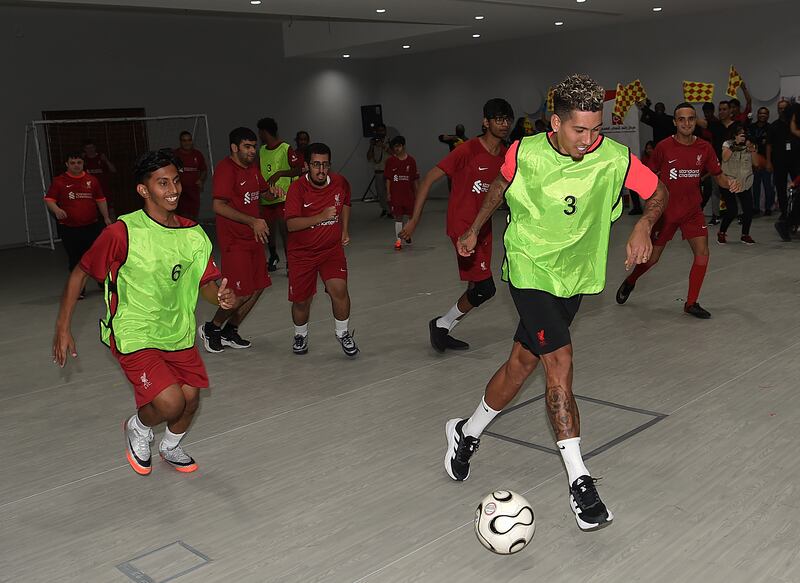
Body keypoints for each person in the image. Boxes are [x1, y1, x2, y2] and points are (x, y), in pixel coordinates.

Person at [442, 74, 668, 531]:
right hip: (528, 268)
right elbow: (499, 189)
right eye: (579, 130)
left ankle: (465, 433)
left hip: (576, 276)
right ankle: (580, 482)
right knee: (559, 361)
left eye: (596, 129)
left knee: (520, 365)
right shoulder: (524, 152)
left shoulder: (615, 157)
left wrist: (644, 225)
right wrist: (474, 229)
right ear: (555, 123)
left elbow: (658, 192)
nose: (589, 139)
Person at [52, 149, 238, 476]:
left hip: (177, 332)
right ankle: (138, 427)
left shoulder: (193, 235)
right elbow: (80, 272)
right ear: (144, 190)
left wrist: (220, 296)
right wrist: (63, 327)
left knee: (191, 401)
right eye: (162, 183)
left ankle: (170, 447)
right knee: (170, 403)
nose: (173, 190)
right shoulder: (122, 232)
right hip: (134, 331)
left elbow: (206, 283)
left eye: (176, 181)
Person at [399, 98, 514, 353]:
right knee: (485, 288)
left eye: (507, 119)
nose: (504, 124)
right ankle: (441, 324)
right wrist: (415, 220)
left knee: (477, 286)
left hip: (483, 227)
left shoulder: (507, 156)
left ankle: (441, 329)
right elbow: (429, 178)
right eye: (498, 119)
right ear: (485, 122)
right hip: (462, 227)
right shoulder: (468, 150)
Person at [616, 103, 742, 319]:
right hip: (665, 212)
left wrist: (729, 182)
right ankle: (631, 281)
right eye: (681, 119)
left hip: (692, 210)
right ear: (675, 122)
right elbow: (647, 174)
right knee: (652, 259)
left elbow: (717, 175)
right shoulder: (664, 147)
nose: (686, 123)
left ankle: (691, 303)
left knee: (702, 254)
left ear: (696, 121)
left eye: (691, 119)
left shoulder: (705, 148)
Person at [199, 127, 280, 353]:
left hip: (254, 239)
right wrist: (252, 221)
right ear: (234, 148)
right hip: (235, 243)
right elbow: (218, 206)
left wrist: (271, 194)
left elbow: (263, 193)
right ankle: (211, 328)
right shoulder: (226, 170)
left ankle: (230, 331)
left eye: (254, 146)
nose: (252, 150)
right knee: (240, 292)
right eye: (247, 146)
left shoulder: (253, 169)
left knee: (259, 287)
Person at [284, 143, 358, 357]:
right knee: (301, 301)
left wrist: (344, 229)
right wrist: (321, 217)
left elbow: (346, 202)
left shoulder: (339, 182)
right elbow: (291, 225)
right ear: (307, 165)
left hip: (330, 251)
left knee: (340, 291)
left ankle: (343, 333)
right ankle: (300, 334)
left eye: (325, 165)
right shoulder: (297, 189)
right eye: (316, 164)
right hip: (302, 254)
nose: (321, 170)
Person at [44, 152, 113, 297]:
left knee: (97, 256)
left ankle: (103, 283)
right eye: (73, 163)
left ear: (83, 164)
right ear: (67, 164)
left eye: (79, 162)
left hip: (91, 226)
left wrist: (106, 217)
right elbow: (49, 199)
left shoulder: (92, 180)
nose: (76, 165)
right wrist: (56, 210)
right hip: (69, 228)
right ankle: (79, 289)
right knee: (75, 259)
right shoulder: (59, 181)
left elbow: (100, 199)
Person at [257, 117, 303, 272]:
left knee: (285, 230)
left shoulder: (285, 148)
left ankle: (291, 261)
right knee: (268, 230)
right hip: (267, 197)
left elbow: (298, 169)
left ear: (264, 132)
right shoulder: (262, 151)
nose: (259, 135)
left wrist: (280, 174)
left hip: (284, 197)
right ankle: (273, 256)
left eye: (260, 132)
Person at [718, 124, 756, 245]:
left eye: (744, 134)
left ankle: (745, 234)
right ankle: (722, 232)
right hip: (728, 181)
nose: (743, 137)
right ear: (735, 135)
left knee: (749, 210)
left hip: (744, 181)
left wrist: (753, 149)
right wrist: (735, 145)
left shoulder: (749, 145)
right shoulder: (727, 144)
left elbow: (755, 162)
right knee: (732, 210)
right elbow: (724, 158)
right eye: (741, 134)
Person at [767, 99, 798, 240]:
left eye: (786, 109)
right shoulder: (774, 126)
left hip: (795, 161)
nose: (783, 111)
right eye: (781, 108)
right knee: (782, 188)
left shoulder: (795, 125)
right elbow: (769, 145)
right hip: (780, 162)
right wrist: (768, 161)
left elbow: (794, 130)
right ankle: (786, 216)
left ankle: (789, 221)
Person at [383, 136, 419, 249]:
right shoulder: (390, 161)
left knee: (411, 216)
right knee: (398, 217)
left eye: (398, 146)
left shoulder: (411, 161)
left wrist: (418, 194)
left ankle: (406, 234)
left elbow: (415, 180)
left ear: (403, 146)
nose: (396, 149)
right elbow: (388, 179)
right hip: (396, 195)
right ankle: (398, 241)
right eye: (394, 147)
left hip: (408, 195)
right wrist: (388, 193)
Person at [696, 102, 725, 225]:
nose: (707, 114)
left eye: (709, 111)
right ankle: (714, 214)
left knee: (720, 189)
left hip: (719, 159)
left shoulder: (716, 124)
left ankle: (725, 213)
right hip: (704, 160)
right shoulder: (702, 126)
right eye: (705, 112)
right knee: (712, 189)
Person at [173, 131, 208, 221]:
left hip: (193, 190)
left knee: (193, 214)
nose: (187, 143)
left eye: (189, 140)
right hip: (179, 190)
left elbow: (204, 170)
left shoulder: (198, 154)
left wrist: (201, 180)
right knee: (180, 214)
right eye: (184, 140)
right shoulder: (175, 154)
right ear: (180, 142)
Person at [748, 107, 773, 216]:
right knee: (756, 186)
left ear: (768, 115)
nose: (763, 115)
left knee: (768, 186)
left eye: (765, 114)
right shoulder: (751, 127)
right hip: (754, 161)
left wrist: (769, 162)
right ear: (757, 114)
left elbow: (771, 145)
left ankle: (768, 208)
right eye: (761, 113)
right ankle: (756, 207)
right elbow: (750, 142)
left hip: (767, 161)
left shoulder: (771, 128)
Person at [367, 123, 391, 217]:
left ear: (385, 131)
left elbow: (394, 153)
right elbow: (368, 157)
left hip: (389, 171)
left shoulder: (389, 141)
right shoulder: (374, 142)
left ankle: (390, 211)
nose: (380, 132)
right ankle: (385, 208)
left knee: (390, 192)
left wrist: (383, 146)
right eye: (379, 131)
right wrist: (372, 146)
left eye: (382, 130)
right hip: (379, 172)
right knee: (380, 193)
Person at [82, 140, 117, 205]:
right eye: (87, 148)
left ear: (95, 148)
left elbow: (113, 170)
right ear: (84, 149)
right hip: (90, 190)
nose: (90, 150)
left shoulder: (101, 157)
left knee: (110, 209)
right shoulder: (83, 160)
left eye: (92, 147)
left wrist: (106, 160)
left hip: (104, 189)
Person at [628, 141, 655, 215]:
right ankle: (637, 208)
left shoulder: (658, 157)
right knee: (632, 185)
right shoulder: (645, 157)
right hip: (647, 178)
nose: (648, 150)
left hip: (657, 178)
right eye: (647, 148)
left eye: (650, 148)